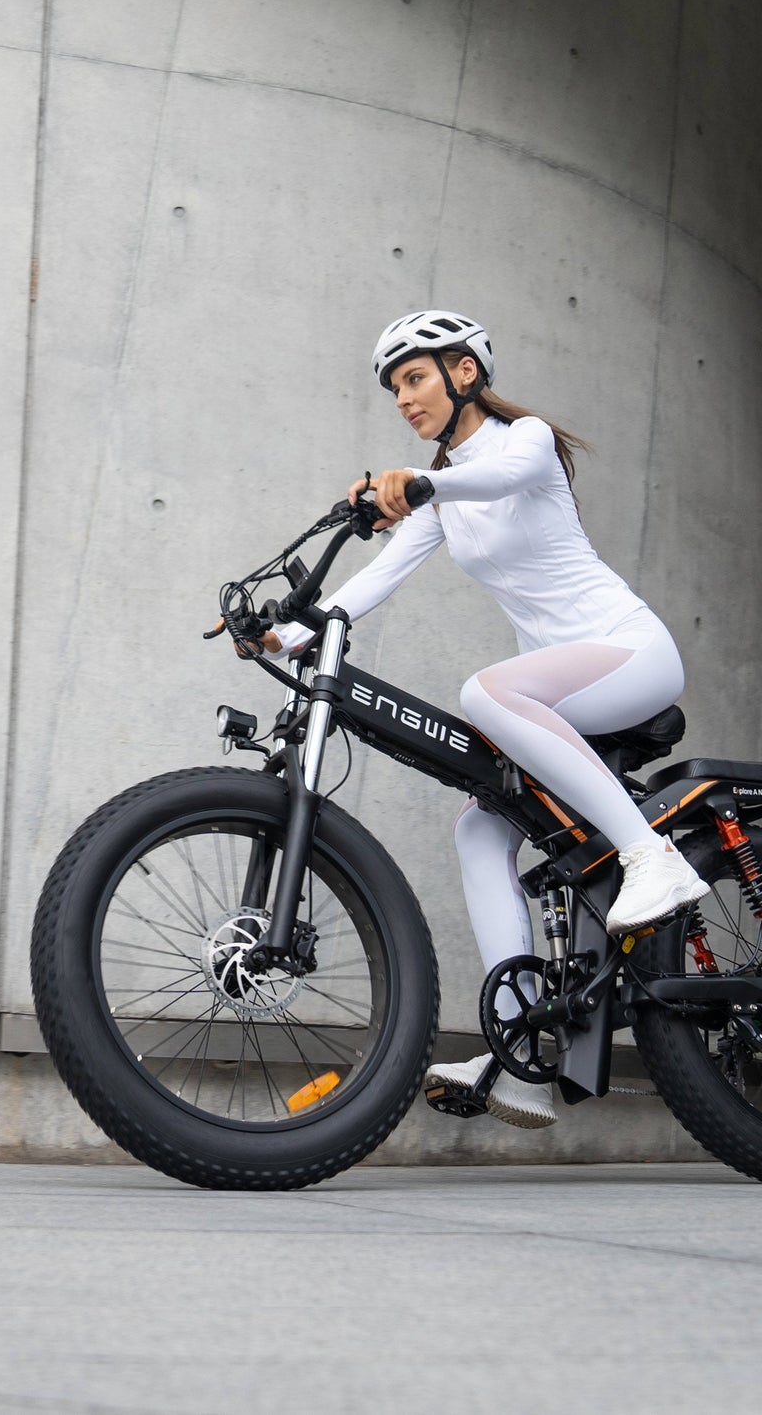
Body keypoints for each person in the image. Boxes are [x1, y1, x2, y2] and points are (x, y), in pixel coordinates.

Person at [264, 310, 709, 1130]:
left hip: (628, 653)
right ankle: (523, 1051)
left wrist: (419, 480)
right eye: (395, 387)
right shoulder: (439, 499)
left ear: (464, 373)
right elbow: (373, 580)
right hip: (558, 691)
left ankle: (655, 859)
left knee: (487, 695)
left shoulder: (524, 441)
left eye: (416, 377)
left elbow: (498, 480)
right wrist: (286, 630)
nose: (404, 398)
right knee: (481, 828)